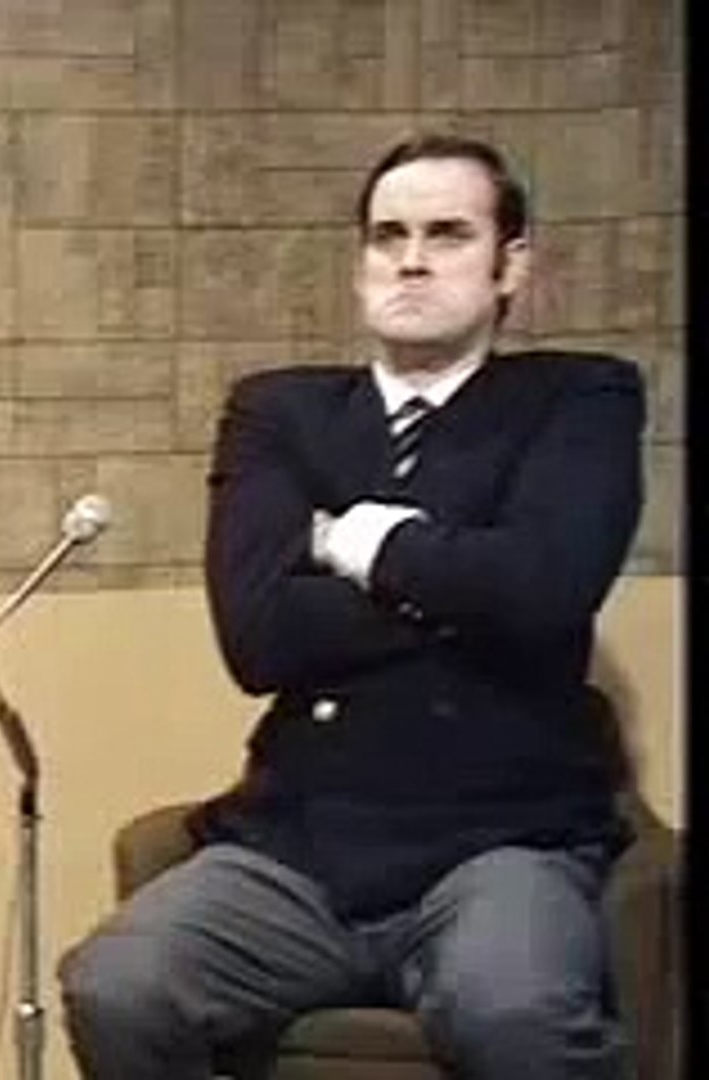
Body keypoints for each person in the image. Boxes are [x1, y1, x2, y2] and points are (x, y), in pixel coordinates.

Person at [58, 133, 644, 1080]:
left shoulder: (579, 397)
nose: (410, 260)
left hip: (505, 842)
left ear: (510, 266)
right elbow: (258, 638)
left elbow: (545, 591)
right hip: (299, 845)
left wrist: (356, 544)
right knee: (116, 986)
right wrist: (466, 577)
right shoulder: (278, 412)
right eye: (387, 236)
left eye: (448, 234)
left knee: (517, 1016)